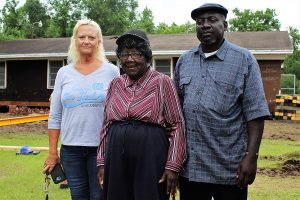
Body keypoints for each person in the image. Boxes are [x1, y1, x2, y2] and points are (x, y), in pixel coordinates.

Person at [174, 3, 271, 200]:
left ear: (225, 25)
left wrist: (251, 157)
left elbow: (256, 114)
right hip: (191, 167)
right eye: (200, 22)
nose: (205, 25)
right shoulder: (185, 60)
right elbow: (176, 110)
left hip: (229, 169)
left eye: (212, 20)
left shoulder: (244, 60)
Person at [97, 29, 187, 200]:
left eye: (136, 54)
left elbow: (178, 125)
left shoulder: (162, 82)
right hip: (115, 155)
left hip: (151, 155)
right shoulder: (115, 84)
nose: (130, 59)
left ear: (146, 56)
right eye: (124, 54)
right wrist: (102, 161)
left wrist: (173, 166)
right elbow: (106, 125)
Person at [43, 19, 120, 200]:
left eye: (91, 37)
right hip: (70, 150)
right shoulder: (63, 73)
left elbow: (120, 110)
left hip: (101, 149)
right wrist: (53, 152)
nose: (86, 41)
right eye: (82, 36)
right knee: (77, 196)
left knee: (99, 196)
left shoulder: (112, 72)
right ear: (75, 40)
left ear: (98, 41)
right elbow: (55, 115)